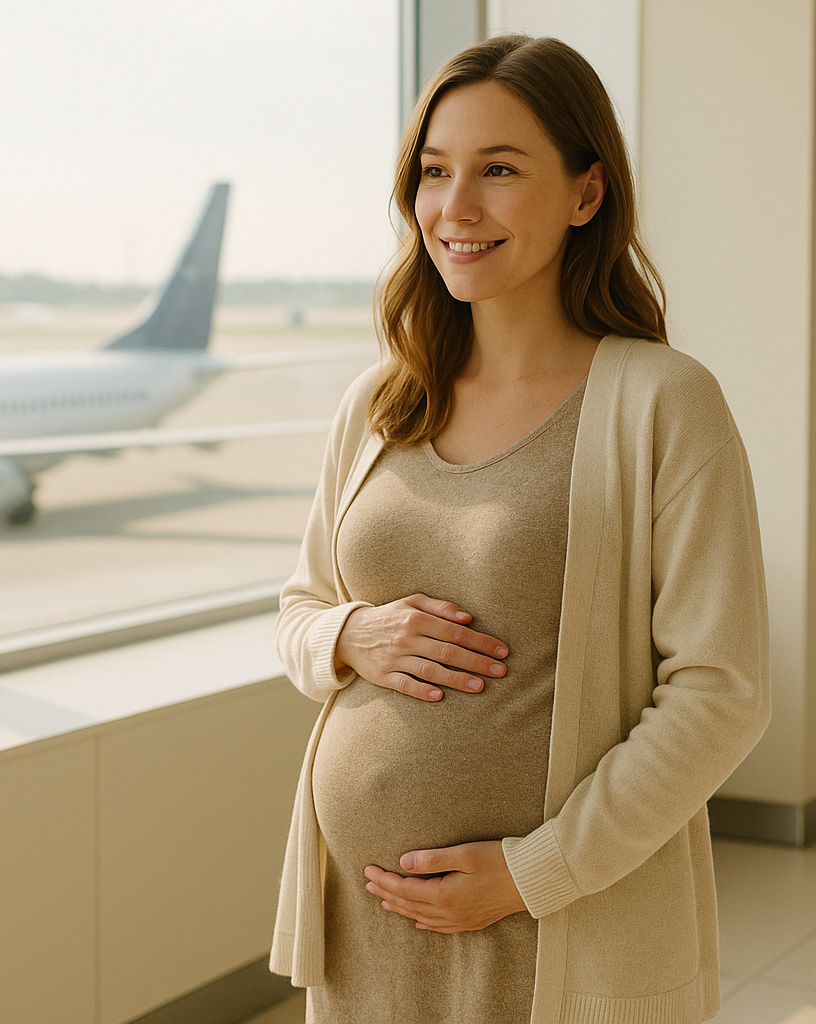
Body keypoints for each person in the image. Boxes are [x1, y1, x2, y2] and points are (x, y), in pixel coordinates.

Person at [269, 34, 771, 1024]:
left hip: (558, 920)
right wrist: (348, 634)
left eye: (499, 170)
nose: (456, 207)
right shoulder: (381, 400)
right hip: (368, 927)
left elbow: (722, 692)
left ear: (587, 194)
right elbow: (300, 606)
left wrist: (529, 873)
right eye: (435, 171)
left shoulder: (664, 403)